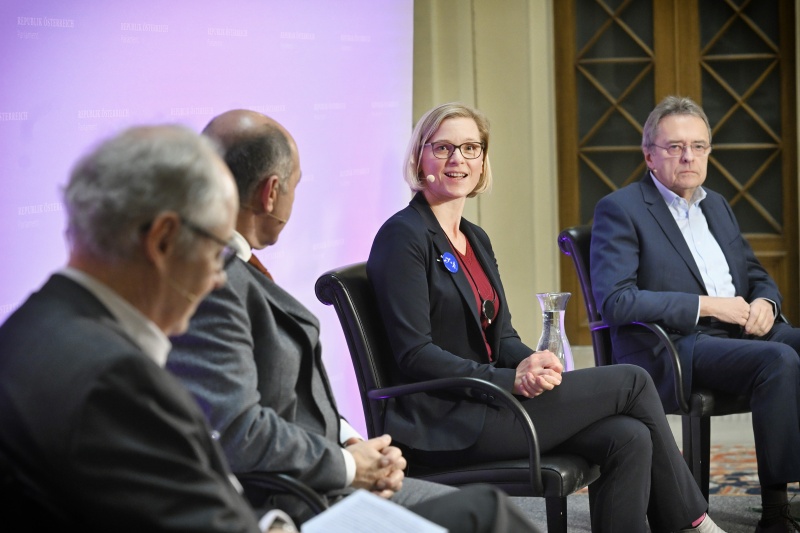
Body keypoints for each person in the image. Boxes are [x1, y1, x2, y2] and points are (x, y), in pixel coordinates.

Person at [166, 108, 541, 532]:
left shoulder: (236, 270)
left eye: (471, 148)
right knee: (487, 513)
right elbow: (240, 432)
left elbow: (292, 398)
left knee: (492, 507)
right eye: (296, 185)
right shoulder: (213, 282)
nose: (458, 159)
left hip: (335, 474)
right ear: (271, 192)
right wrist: (347, 465)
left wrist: (351, 440)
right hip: (301, 499)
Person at [366, 101, 728, 533]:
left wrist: (530, 362)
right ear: (419, 157)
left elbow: (502, 336)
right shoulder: (402, 236)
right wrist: (510, 380)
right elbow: (414, 354)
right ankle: (693, 522)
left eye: (470, 148)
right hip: (445, 420)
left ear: (482, 160)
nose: (457, 159)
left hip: (488, 401)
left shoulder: (474, 238)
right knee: (632, 380)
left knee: (628, 436)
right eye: (443, 148)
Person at [0, 124, 278, 531]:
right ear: (163, 240)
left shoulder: (25, 327)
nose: (220, 279)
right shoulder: (119, 382)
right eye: (218, 252)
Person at [590, 95, 800, 533]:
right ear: (649, 154)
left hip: (738, 334)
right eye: (675, 146)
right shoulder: (621, 208)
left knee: (790, 345)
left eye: (698, 146)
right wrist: (707, 305)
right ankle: (777, 510)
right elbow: (616, 301)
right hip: (675, 346)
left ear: (708, 151)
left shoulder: (716, 204)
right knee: (778, 360)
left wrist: (766, 303)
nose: (689, 156)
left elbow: (755, 274)